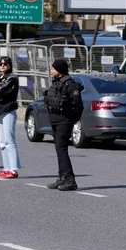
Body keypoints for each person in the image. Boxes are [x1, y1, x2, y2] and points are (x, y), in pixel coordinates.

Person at [44, 59, 80, 191]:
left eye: (53, 68)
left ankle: (71, 180)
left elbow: (78, 105)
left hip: (64, 121)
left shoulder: (70, 85)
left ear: (59, 70)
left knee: (61, 149)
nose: (51, 70)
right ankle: (62, 178)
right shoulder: (57, 83)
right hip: (55, 120)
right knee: (58, 149)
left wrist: (74, 119)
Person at [0, 56, 21, 179]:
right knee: (2, 141)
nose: (3, 65)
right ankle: (6, 168)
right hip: (0, 111)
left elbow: (3, 92)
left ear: (10, 65)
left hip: (8, 111)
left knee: (9, 140)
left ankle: (13, 170)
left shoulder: (12, 79)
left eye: (5, 64)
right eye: (1, 63)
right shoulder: (0, 78)